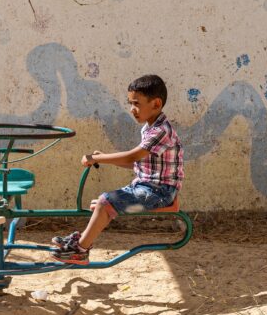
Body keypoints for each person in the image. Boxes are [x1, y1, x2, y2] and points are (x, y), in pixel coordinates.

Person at [52, 74, 184, 264]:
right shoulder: (150, 127)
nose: (132, 109)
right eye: (130, 103)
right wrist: (106, 158)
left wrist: (97, 158)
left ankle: (80, 250)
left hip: (160, 193)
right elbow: (137, 164)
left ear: (156, 104)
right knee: (101, 203)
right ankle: (80, 241)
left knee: (106, 202)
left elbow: (132, 156)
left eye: (137, 104)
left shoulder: (161, 131)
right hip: (148, 187)